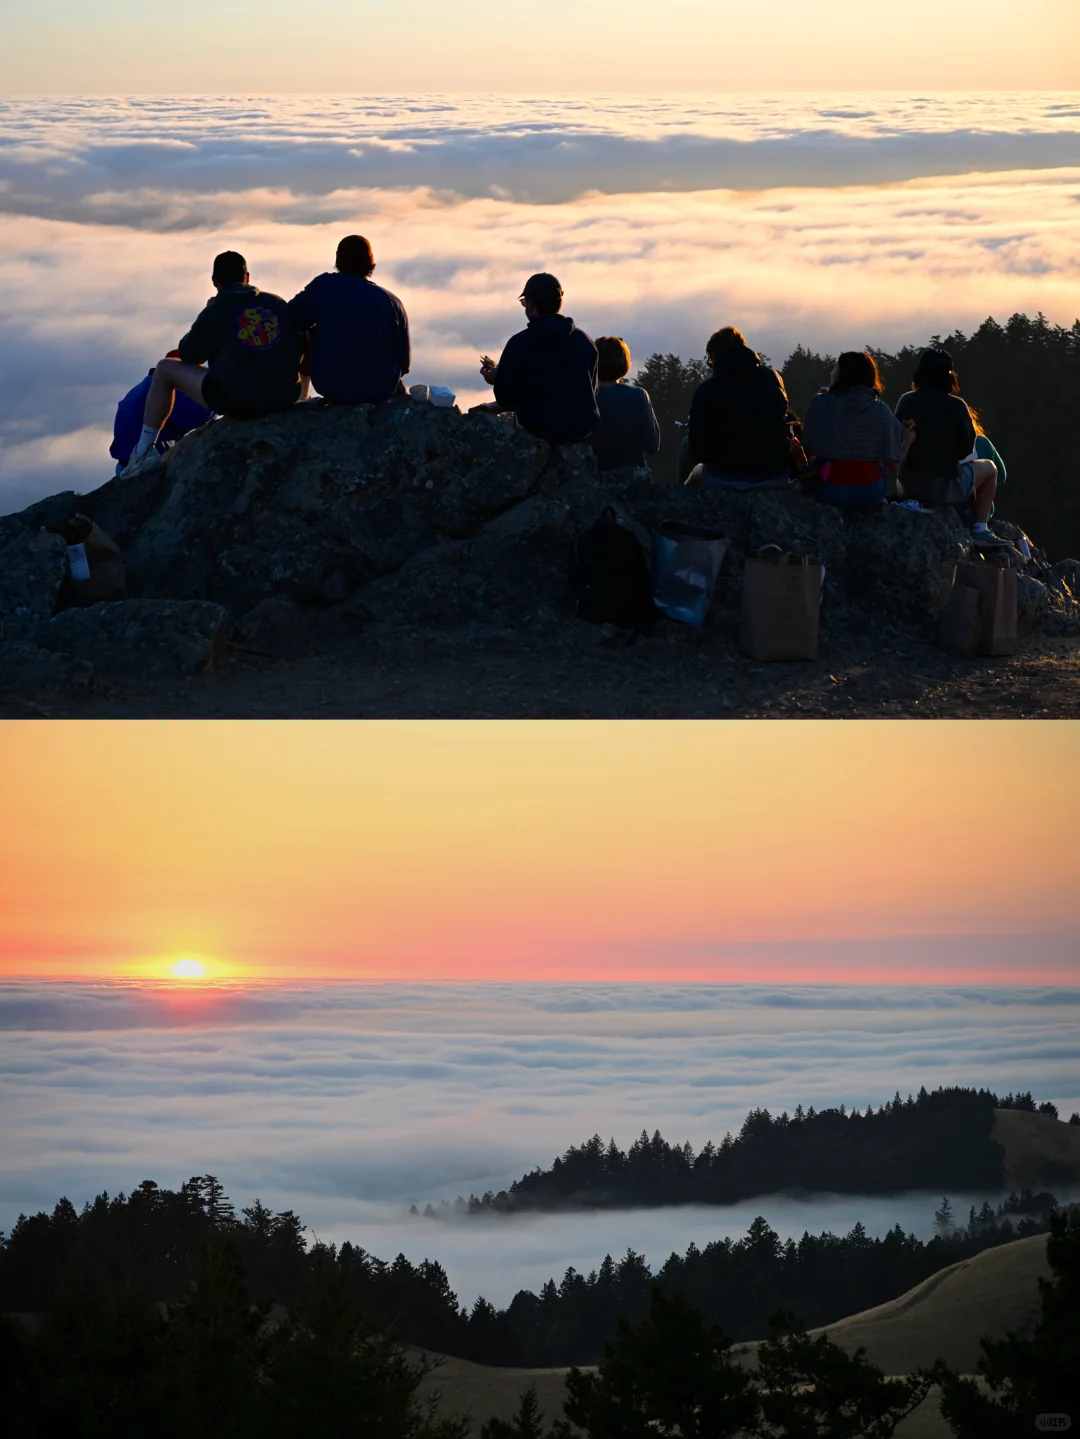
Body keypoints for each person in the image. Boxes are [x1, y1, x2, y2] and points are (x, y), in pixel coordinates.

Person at [120, 251, 302, 478]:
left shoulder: (215, 311)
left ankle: (144, 451)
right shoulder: (276, 303)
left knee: (165, 368)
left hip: (237, 401)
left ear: (215, 281)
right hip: (285, 397)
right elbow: (300, 342)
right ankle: (304, 402)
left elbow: (189, 355)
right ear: (247, 277)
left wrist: (208, 317)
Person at [895, 348, 1006, 546]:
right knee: (990, 468)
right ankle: (980, 528)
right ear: (950, 377)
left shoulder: (906, 400)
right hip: (941, 489)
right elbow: (965, 450)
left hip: (907, 484)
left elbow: (895, 439)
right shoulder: (957, 406)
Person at [288, 235, 411, 405]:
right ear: (371, 263)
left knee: (305, 329)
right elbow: (404, 364)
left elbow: (290, 317)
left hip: (333, 387)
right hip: (381, 389)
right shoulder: (392, 302)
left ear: (338, 261)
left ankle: (302, 395)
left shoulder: (323, 287)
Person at [479, 273, 599, 446]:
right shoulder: (584, 341)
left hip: (536, 432)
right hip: (579, 433)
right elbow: (592, 391)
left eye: (524, 302)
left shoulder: (519, 343)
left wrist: (497, 379)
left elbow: (506, 399)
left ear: (531, 303)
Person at [801, 351, 912, 511]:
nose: (832, 372)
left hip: (827, 489)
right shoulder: (881, 411)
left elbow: (809, 445)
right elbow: (893, 463)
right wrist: (908, 440)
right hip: (868, 493)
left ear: (841, 375)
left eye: (835, 368)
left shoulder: (819, 403)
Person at [684, 327, 793, 489]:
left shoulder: (707, 390)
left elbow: (699, 451)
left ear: (715, 356)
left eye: (710, 361)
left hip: (726, 476)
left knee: (692, 476)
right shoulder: (772, 378)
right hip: (776, 473)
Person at [109, 350, 213, 473]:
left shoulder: (144, 386)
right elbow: (200, 417)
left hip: (124, 463)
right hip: (143, 466)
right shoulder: (171, 393)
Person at [589, 336, 660, 472]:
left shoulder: (584, 398)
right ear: (624, 362)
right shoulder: (639, 396)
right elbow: (652, 444)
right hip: (631, 481)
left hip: (592, 481)